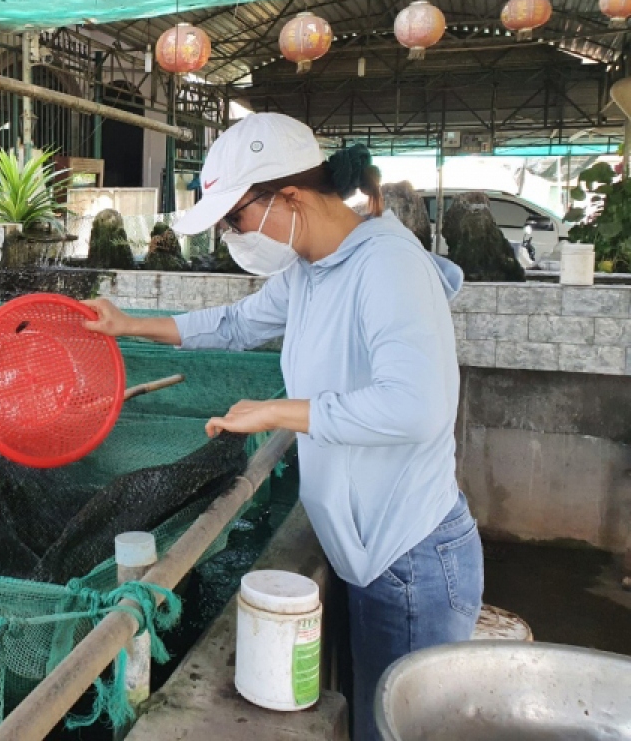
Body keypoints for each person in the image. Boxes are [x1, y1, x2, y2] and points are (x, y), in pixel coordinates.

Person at [83, 113, 483, 741]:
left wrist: (277, 413)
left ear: (288, 197)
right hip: (367, 554)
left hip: (412, 558)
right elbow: (236, 323)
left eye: (233, 218)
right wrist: (128, 324)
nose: (230, 234)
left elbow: (416, 406)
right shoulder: (312, 269)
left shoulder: (387, 267)